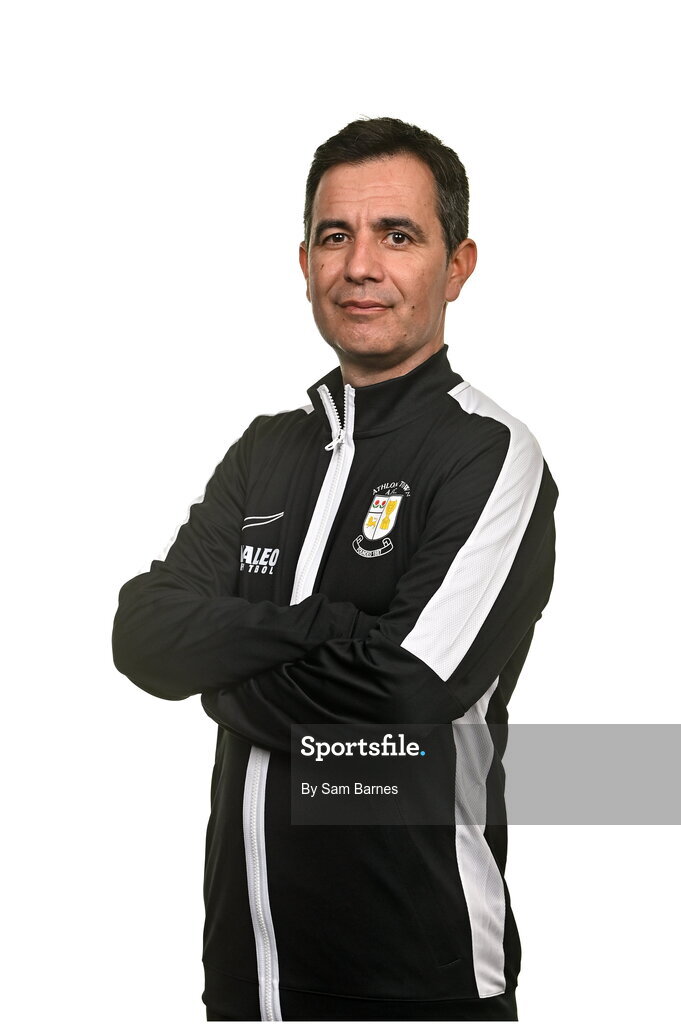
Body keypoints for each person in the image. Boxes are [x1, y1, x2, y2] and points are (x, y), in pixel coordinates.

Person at [112, 116, 558, 1022]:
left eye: (397, 235)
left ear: (457, 265)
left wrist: (224, 679)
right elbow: (144, 634)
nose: (360, 265)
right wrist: (325, 630)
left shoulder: (486, 454)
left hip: (417, 974)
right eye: (334, 236)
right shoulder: (265, 451)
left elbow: (403, 692)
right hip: (250, 972)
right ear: (305, 261)